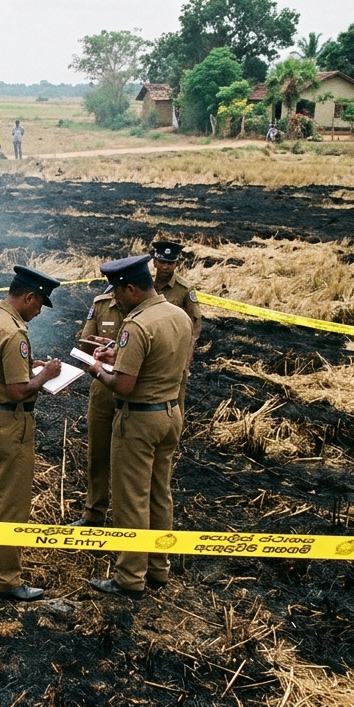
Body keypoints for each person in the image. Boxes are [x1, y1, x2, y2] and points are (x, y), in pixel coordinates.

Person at [79, 255, 191, 598]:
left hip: (138, 421)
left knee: (131, 498)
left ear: (131, 289)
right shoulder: (178, 315)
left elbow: (124, 385)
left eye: (118, 292)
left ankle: (129, 577)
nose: (115, 299)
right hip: (170, 414)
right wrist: (120, 358)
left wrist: (97, 368)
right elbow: (160, 360)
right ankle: (158, 568)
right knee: (160, 494)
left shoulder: (137, 324)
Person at [0, 265, 63, 602]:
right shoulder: (14, 333)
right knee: (11, 501)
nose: (38, 312)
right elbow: (19, 391)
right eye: (39, 305)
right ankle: (6, 578)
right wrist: (47, 373)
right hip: (9, 422)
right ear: (28, 296)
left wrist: (29, 368)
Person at [72, 285, 125, 528]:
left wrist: (119, 351)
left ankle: (128, 523)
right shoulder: (102, 304)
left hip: (134, 393)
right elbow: (85, 343)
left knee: (130, 461)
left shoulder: (151, 309)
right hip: (103, 389)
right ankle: (94, 515)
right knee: (98, 453)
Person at [150, 240, 204, 415]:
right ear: (154, 262)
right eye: (162, 262)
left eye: (170, 263)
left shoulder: (184, 289)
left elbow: (195, 326)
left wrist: (185, 359)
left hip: (174, 351)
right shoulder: (145, 286)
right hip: (149, 348)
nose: (166, 267)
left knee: (175, 402)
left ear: (176, 264)